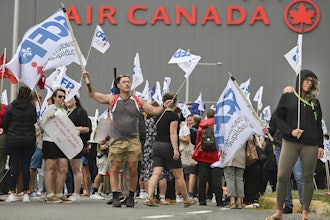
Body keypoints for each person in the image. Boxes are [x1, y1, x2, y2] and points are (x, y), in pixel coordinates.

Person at [82, 71, 173, 208]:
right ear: (118, 85)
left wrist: (164, 106)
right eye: (124, 82)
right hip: (117, 140)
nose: (127, 84)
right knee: (115, 167)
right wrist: (87, 80)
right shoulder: (112, 99)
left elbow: (154, 111)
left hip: (133, 140)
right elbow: (92, 94)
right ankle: (115, 196)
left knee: (132, 168)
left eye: (128, 82)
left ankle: (130, 196)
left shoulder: (137, 100)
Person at [266, 70, 324, 220]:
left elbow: (318, 126)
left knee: (307, 177)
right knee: (282, 176)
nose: (308, 83)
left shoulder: (315, 103)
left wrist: (321, 146)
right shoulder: (288, 97)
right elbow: (278, 117)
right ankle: (279, 212)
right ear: (300, 80)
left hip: (310, 145)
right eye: (306, 80)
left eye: (311, 81)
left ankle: (305, 212)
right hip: (290, 142)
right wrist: (290, 131)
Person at [143, 93, 197, 208]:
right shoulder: (173, 116)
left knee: (156, 174)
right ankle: (187, 200)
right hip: (168, 146)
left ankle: (149, 197)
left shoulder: (158, 115)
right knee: (179, 175)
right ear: (175, 103)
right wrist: (176, 149)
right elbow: (173, 132)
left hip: (156, 145)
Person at [3, 86, 37, 203]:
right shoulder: (32, 108)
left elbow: (5, 123)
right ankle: (26, 192)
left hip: (14, 138)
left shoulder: (11, 106)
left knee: (14, 165)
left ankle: (12, 192)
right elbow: (34, 120)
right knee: (26, 165)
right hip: (28, 139)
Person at [40, 88, 72, 204]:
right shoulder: (50, 109)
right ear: (54, 97)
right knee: (50, 167)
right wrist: (49, 118)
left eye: (63, 97)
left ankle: (59, 193)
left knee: (63, 168)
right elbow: (42, 125)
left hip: (62, 142)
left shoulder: (64, 111)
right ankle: (49, 194)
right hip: (50, 140)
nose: (62, 99)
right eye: (59, 96)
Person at [194, 109, 224, 207]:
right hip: (216, 156)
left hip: (203, 155)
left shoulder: (201, 126)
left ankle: (202, 200)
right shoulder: (219, 125)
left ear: (207, 115)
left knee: (202, 179)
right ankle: (219, 200)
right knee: (217, 179)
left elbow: (198, 141)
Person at [65, 95, 92, 202]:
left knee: (76, 168)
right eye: (66, 98)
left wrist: (74, 129)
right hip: (64, 144)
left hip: (76, 143)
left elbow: (87, 128)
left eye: (71, 98)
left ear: (76, 100)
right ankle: (68, 191)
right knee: (65, 169)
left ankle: (76, 192)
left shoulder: (80, 112)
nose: (68, 100)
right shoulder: (63, 112)